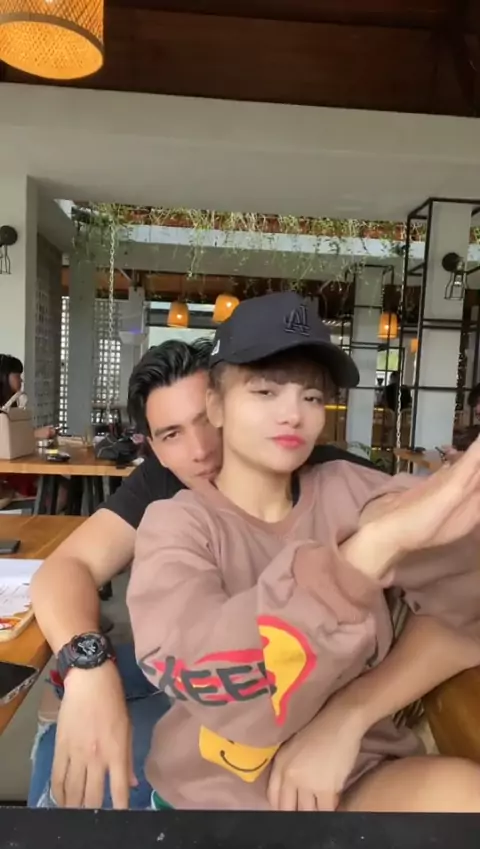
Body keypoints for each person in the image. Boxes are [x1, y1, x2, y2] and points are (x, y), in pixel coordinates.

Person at [128, 291, 480, 812]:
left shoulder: (355, 491)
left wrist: (348, 717)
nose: (293, 414)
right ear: (216, 406)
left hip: (353, 775)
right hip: (213, 796)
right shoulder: (178, 526)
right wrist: (369, 553)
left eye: (312, 397)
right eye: (265, 391)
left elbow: (466, 609)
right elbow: (214, 678)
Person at [29, 337, 379, 810]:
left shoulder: (334, 480)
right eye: (172, 434)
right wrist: (87, 668)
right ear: (154, 447)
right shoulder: (168, 480)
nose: (200, 450)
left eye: (206, 420)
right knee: (66, 716)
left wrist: (351, 716)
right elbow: (67, 567)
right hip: (203, 678)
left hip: (292, 694)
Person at [0, 354, 55, 500]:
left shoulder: (11, 404)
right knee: (60, 490)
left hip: (13, 469)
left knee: (61, 486)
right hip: (7, 474)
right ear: (4, 376)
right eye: (17, 375)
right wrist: (35, 434)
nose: (21, 380)